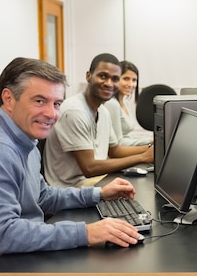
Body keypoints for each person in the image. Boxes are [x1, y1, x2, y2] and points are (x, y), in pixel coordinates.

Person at [0, 57, 143, 276]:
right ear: (8, 98)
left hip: (11, 263)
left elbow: (41, 196)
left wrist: (98, 194)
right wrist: (87, 233)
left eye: (56, 103)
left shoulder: (22, 137)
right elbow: (0, 233)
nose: (51, 113)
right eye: (39, 100)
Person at [44, 53, 154, 188]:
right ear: (88, 76)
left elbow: (115, 151)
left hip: (95, 181)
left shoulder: (103, 111)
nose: (109, 83)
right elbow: (89, 168)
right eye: (103, 76)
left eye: (115, 79)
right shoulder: (74, 111)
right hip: (72, 189)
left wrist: (151, 150)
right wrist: (143, 157)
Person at [105, 60, 152, 146]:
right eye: (126, 79)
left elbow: (128, 136)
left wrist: (150, 138)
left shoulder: (124, 101)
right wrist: (149, 140)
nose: (131, 84)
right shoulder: (112, 104)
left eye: (134, 80)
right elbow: (118, 143)